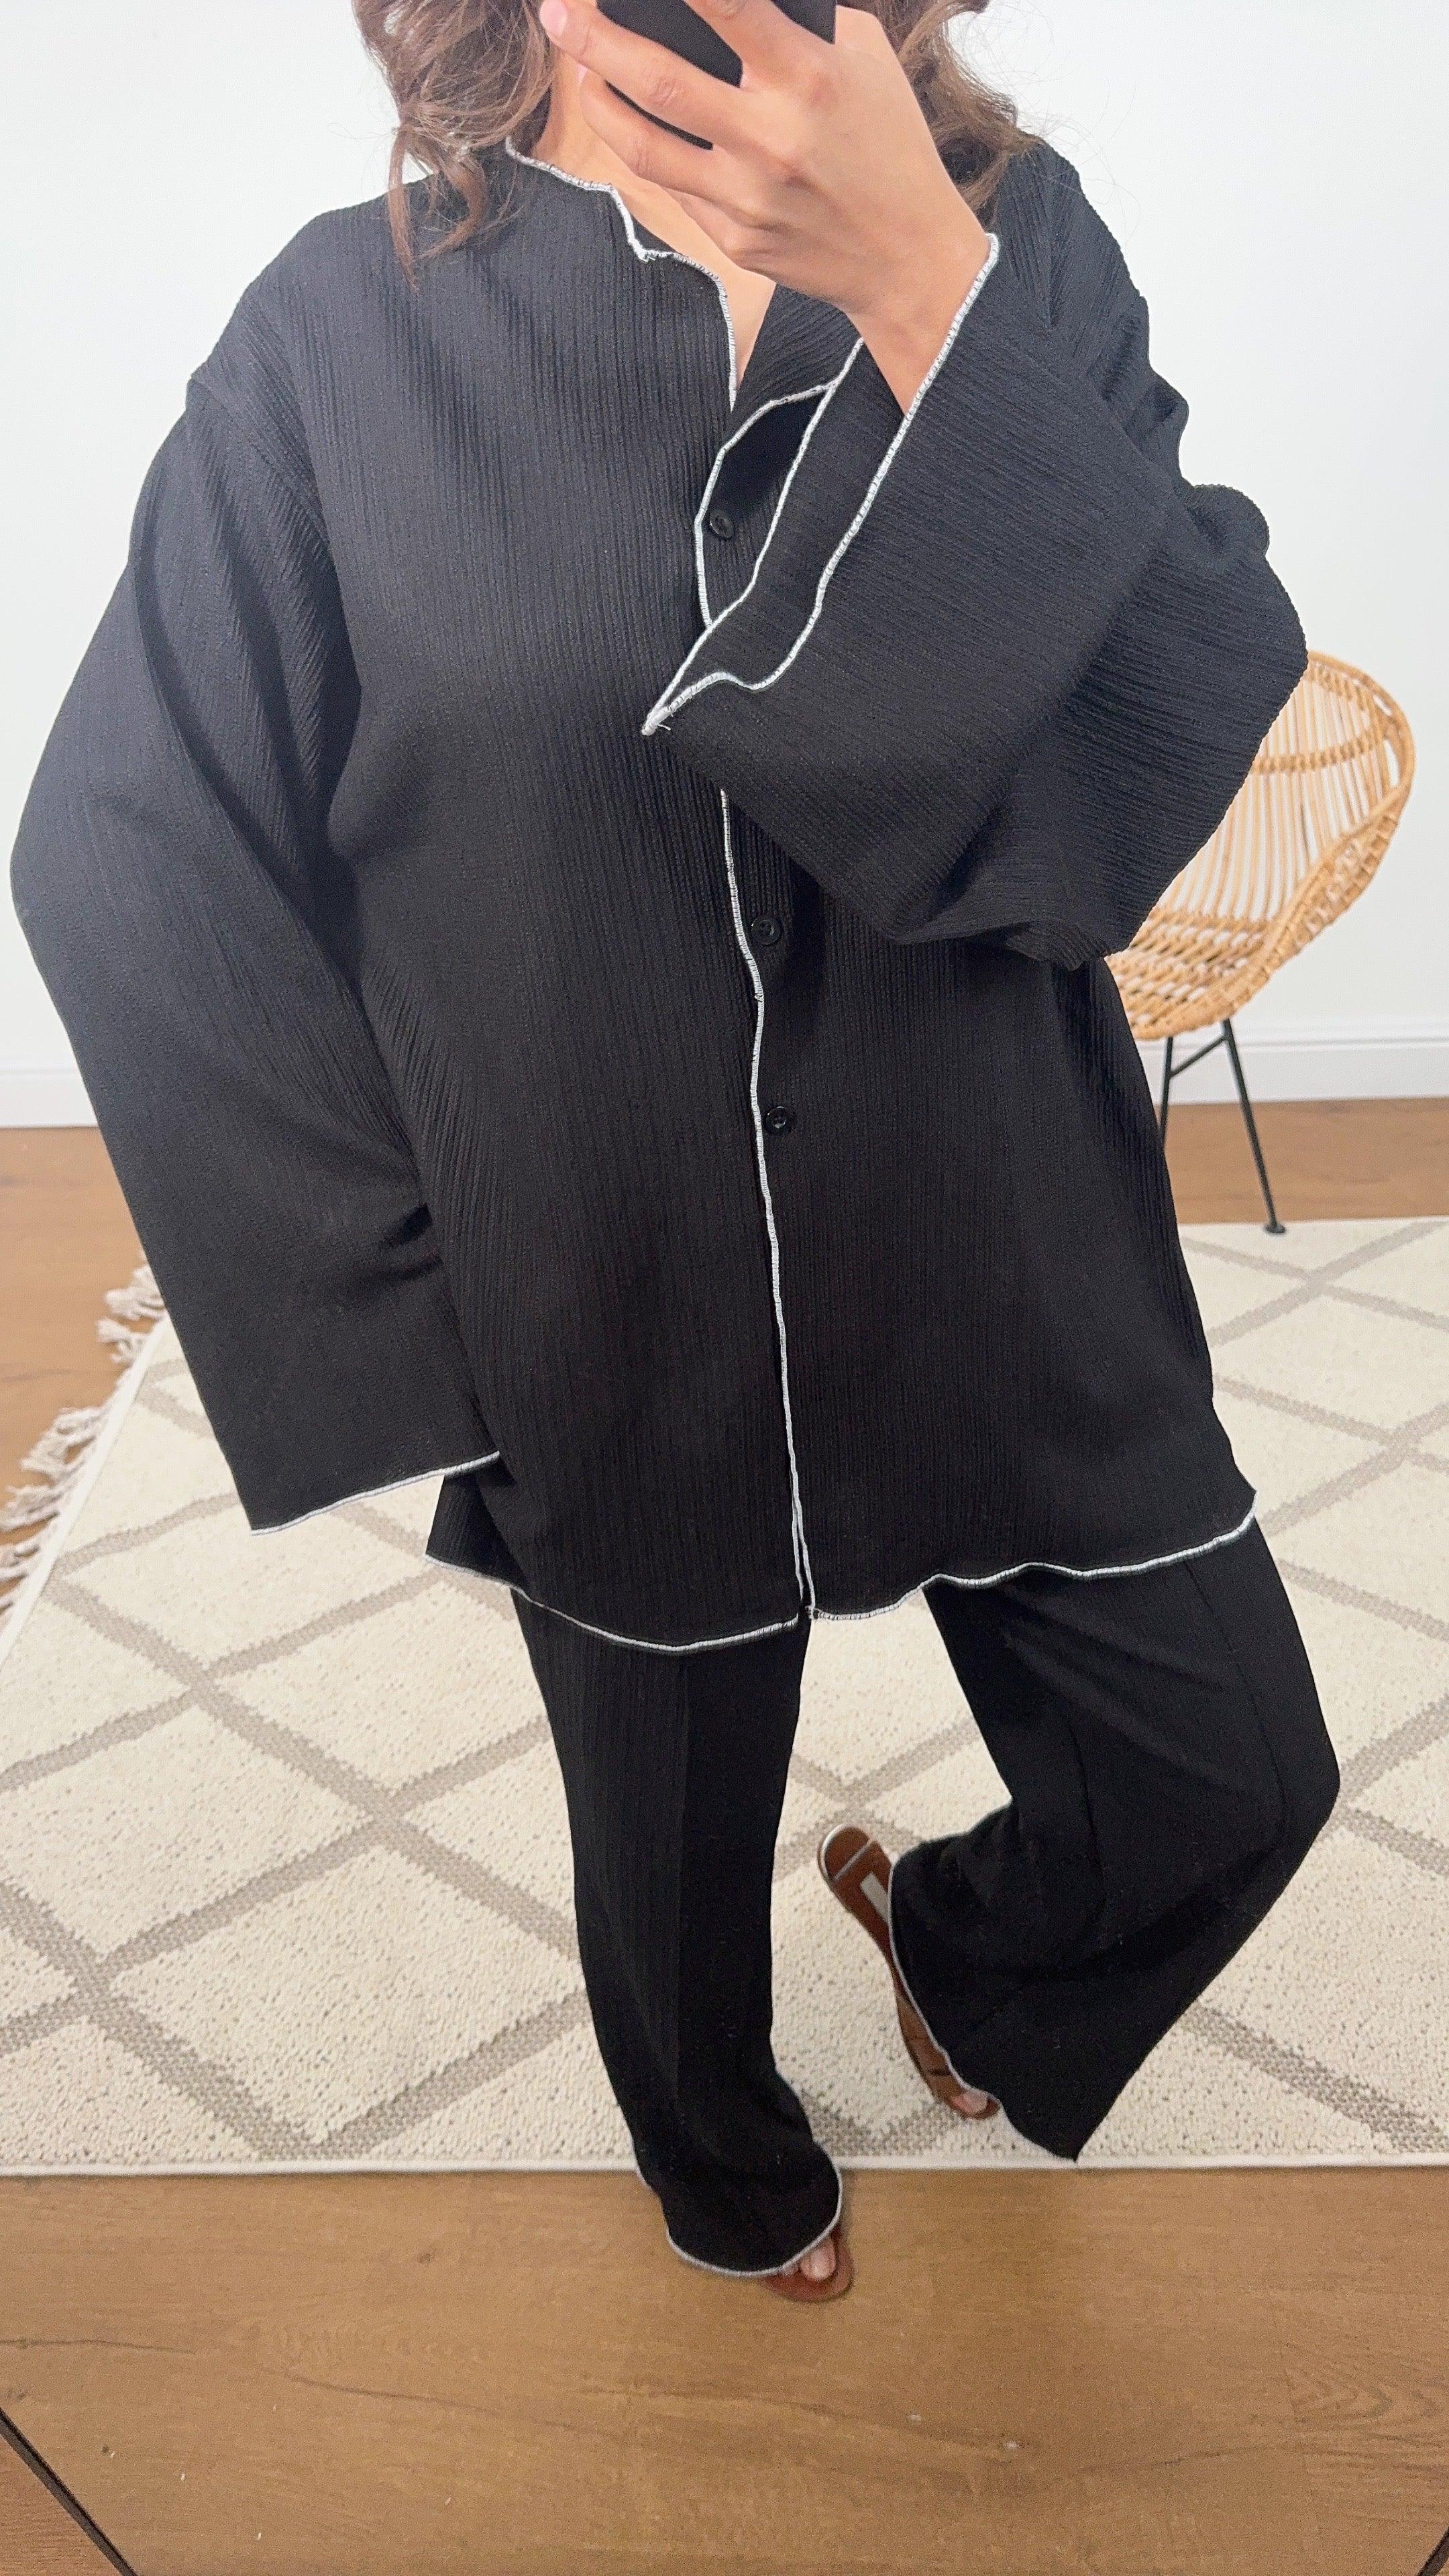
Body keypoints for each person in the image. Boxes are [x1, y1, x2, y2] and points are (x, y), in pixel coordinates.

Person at [10, 0, 1339, 2302]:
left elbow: (1183, 692)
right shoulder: (340, 331)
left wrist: (927, 291)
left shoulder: (1014, 243)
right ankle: (718, 2157)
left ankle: (958, 1941)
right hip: (606, 1268)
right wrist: (412, 1317)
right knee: (668, 1846)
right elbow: (133, 838)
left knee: (1233, 1771)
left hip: (997, 1219)